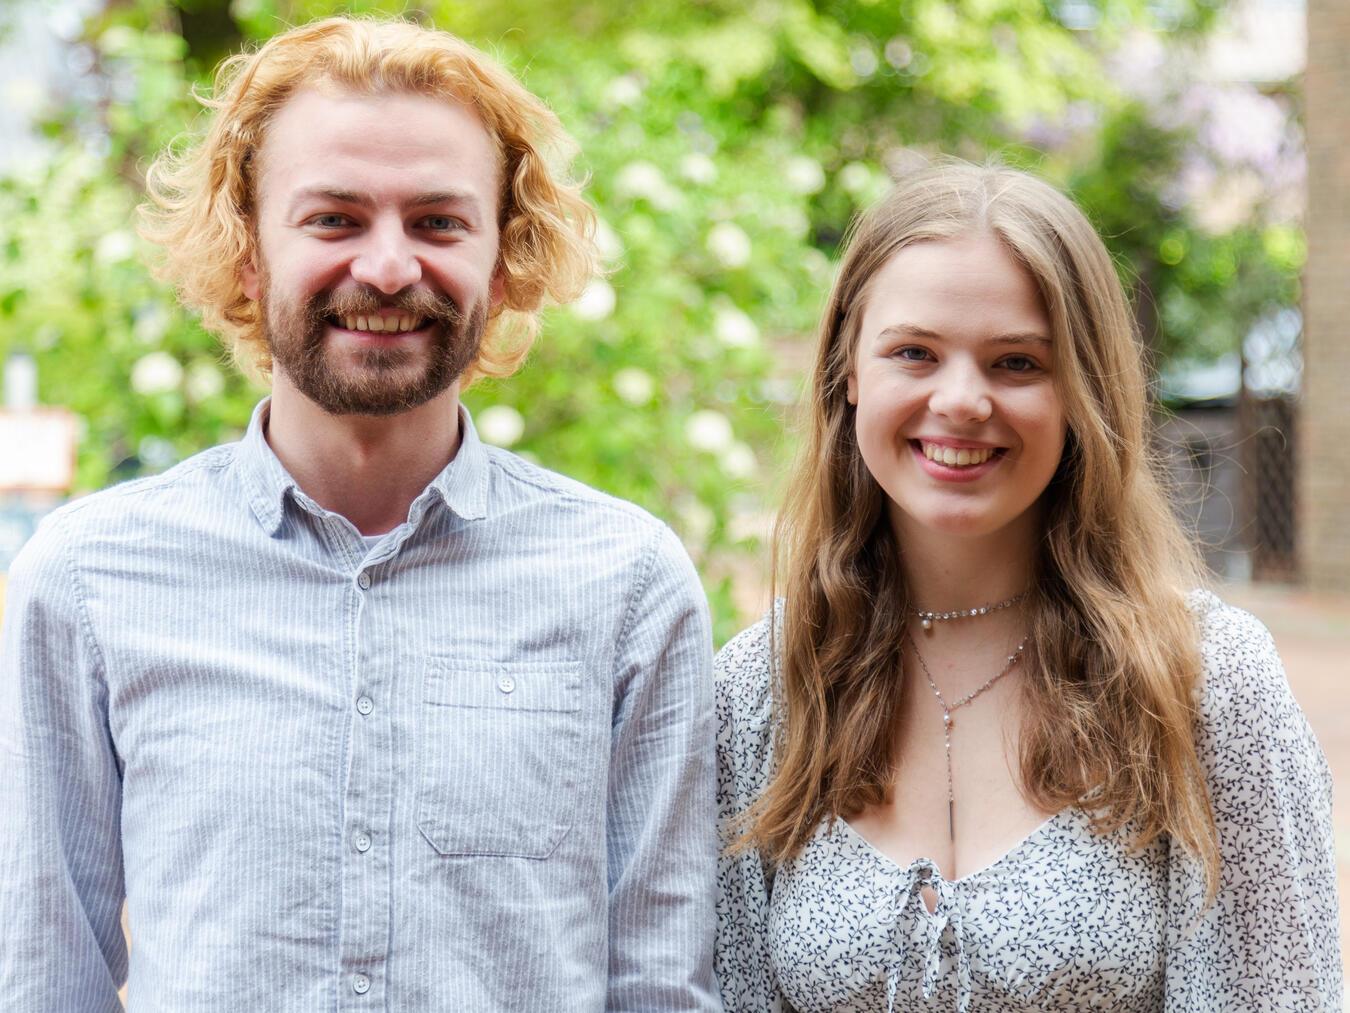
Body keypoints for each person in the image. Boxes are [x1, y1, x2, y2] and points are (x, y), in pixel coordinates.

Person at [0, 17, 719, 1012]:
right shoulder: (86, 578)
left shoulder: (626, 584)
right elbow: (42, 980)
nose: (386, 268)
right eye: (334, 219)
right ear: (247, 249)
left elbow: (662, 989)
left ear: (504, 257)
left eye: (438, 222)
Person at [713, 162, 1342, 1010]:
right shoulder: (764, 687)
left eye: (1016, 362)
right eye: (914, 353)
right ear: (848, 372)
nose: (962, 400)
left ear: (1083, 391)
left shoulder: (1204, 681)